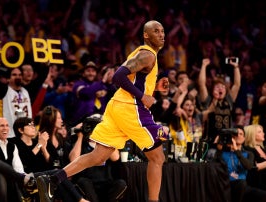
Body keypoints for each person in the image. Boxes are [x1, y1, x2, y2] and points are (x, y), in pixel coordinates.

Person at [37, 20, 169, 202]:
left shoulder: (144, 54)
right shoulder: (147, 55)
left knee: (98, 156)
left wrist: (151, 90)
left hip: (118, 107)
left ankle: (53, 179)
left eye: (162, 31)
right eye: (156, 31)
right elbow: (118, 76)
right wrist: (142, 96)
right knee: (157, 157)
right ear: (146, 35)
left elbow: (132, 78)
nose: (161, 34)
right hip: (131, 108)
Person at [214, 126, 266, 202]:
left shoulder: (248, 153)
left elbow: (249, 166)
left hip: (241, 185)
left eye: (241, 134)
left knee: (264, 195)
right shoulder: (223, 152)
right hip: (225, 184)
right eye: (236, 134)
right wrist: (217, 147)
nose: (238, 136)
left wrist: (236, 150)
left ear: (244, 138)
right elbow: (213, 166)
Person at [244, 124, 266, 191]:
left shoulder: (265, 149)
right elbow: (253, 167)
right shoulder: (247, 149)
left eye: (262, 131)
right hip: (257, 184)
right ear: (251, 135)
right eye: (259, 132)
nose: (263, 133)